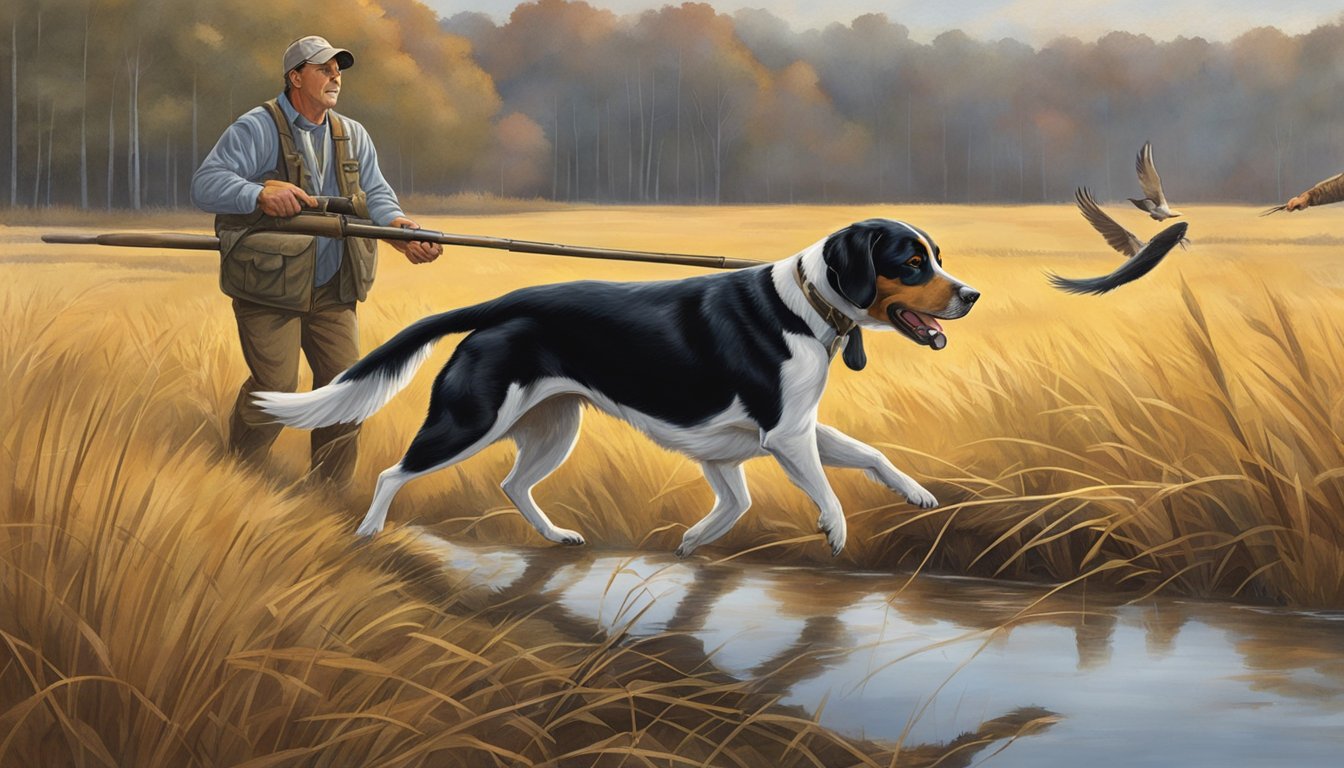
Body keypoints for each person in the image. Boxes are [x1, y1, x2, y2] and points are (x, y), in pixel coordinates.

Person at [191, 35, 443, 486]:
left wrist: (401, 231)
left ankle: (329, 496)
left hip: (333, 285)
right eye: (324, 68)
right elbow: (206, 183)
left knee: (348, 392)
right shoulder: (257, 127)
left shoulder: (352, 133)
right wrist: (258, 193)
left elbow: (376, 194)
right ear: (295, 77)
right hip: (270, 287)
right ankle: (239, 478)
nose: (335, 76)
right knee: (276, 389)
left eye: (338, 69)